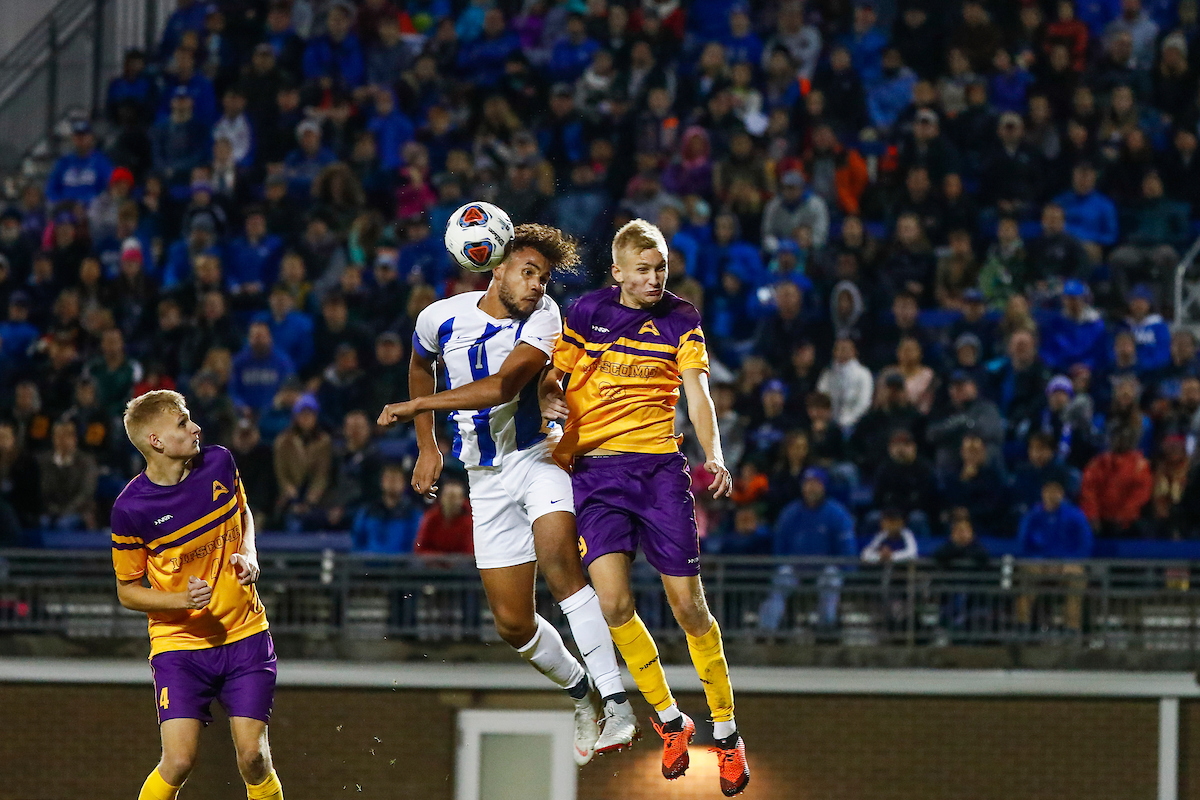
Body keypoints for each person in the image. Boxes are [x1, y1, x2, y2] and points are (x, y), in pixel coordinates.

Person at [377, 222, 637, 765]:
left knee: (564, 563)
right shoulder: (438, 317)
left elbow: (503, 387)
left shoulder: (544, 318)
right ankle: (581, 694)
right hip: (484, 480)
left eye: (543, 276)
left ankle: (617, 699)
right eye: (528, 272)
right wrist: (427, 447)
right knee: (514, 623)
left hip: (536, 459)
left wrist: (417, 411)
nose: (537, 284)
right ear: (495, 266)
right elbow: (419, 364)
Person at [542, 219, 749, 795]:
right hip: (595, 473)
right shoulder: (585, 312)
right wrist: (549, 409)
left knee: (688, 607)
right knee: (612, 603)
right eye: (643, 269)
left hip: (659, 470)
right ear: (618, 272)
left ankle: (727, 732)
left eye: (660, 268)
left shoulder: (683, 318)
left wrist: (716, 455)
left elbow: (697, 392)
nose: (655, 278)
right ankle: (669, 719)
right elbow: (552, 379)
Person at [111, 390, 282, 800]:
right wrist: (180, 602)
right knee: (179, 761)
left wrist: (249, 555)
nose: (195, 428)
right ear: (156, 441)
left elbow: (243, 511)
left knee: (253, 758)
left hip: (245, 635)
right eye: (183, 423)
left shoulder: (220, 461)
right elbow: (127, 592)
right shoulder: (131, 509)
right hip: (179, 647)